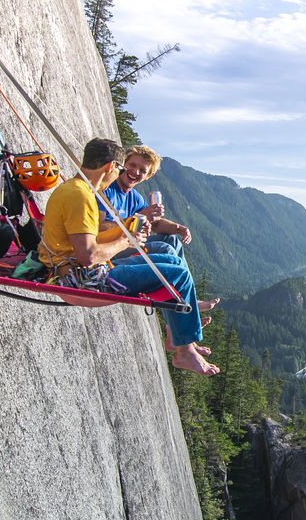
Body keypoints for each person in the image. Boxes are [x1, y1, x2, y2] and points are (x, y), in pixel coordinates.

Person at [38, 137, 217, 375]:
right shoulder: (81, 197)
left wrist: (134, 232)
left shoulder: (79, 190)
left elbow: (90, 241)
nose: (127, 172)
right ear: (112, 167)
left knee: (173, 261)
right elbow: (88, 257)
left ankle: (182, 333)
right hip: (83, 277)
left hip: (81, 268)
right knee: (179, 274)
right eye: (123, 167)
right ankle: (184, 351)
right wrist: (125, 240)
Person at [100, 145, 191, 258]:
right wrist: (133, 220)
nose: (135, 171)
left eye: (142, 170)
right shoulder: (106, 189)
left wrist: (178, 228)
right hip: (109, 248)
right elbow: (97, 227)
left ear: (148, 176)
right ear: (123, 163)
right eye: (132, 165)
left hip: (127, 244)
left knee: (172, 241)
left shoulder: (135, 198)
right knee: (165, 249)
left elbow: (155, 224)